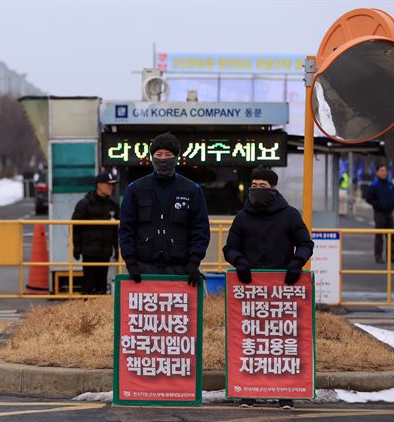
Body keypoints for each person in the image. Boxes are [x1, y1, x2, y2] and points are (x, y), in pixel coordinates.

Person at [223, 166, 314, 410]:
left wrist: (297, 262)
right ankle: (248, 391)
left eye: (262, 186)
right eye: (254, 186)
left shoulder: (290, 215)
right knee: (250, 340)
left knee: (281, 341)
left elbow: (305, 243)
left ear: (274, 188)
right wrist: (239, 261)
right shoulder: (242, 217)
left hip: (283, 291)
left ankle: (285, 393)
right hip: (250, 292)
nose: (257, 190)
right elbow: (230, 248)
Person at [119, 132, 210, 287]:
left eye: (168, 154)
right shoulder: (135, 189)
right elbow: (126, 228)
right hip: (143, 269)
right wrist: (130, 262)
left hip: (180, 269)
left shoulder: (192, 190)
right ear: (152, 157)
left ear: (176, 158)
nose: (163, 159)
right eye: (158, 154)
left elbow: (200, 229)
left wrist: (194, 262)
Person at [72, 172, 120, 294]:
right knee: (89, 284)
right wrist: (76, 247)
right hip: (89, 251)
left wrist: (116, 247)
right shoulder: (85, 204)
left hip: (105, 251)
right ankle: (86, 306)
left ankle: (99, 310)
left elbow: (116, 228)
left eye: (112, 185)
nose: (111, 187)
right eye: (108, 184)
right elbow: (75, 226)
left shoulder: (113, 204)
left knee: (102, 286)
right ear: (99, 185)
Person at [365, 164, 394, 264]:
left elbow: (393, 199)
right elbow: (368, 198)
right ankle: (378, 257)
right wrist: (377, 205)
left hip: (389, 214)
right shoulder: (374, 185)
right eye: (382, 171)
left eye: (385, 171)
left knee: (391, 236)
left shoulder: (390, 184)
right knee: (379, 236)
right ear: (377, 173)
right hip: (379, 213)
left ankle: (390, 257)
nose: (384, 173)